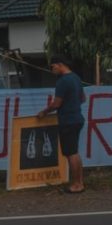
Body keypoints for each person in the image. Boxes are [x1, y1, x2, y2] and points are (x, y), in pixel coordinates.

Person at [37, 57, 86, 193]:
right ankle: (80, 182)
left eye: (53, 67)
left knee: (70, 153)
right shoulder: (76, 78)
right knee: (75, 152)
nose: (52, 70)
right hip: (77, 118)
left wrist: (44, 112)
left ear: (60, 65)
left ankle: (76, 185)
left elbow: (57, 103)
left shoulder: (63, 81)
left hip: (68, 120)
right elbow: (83, 98)